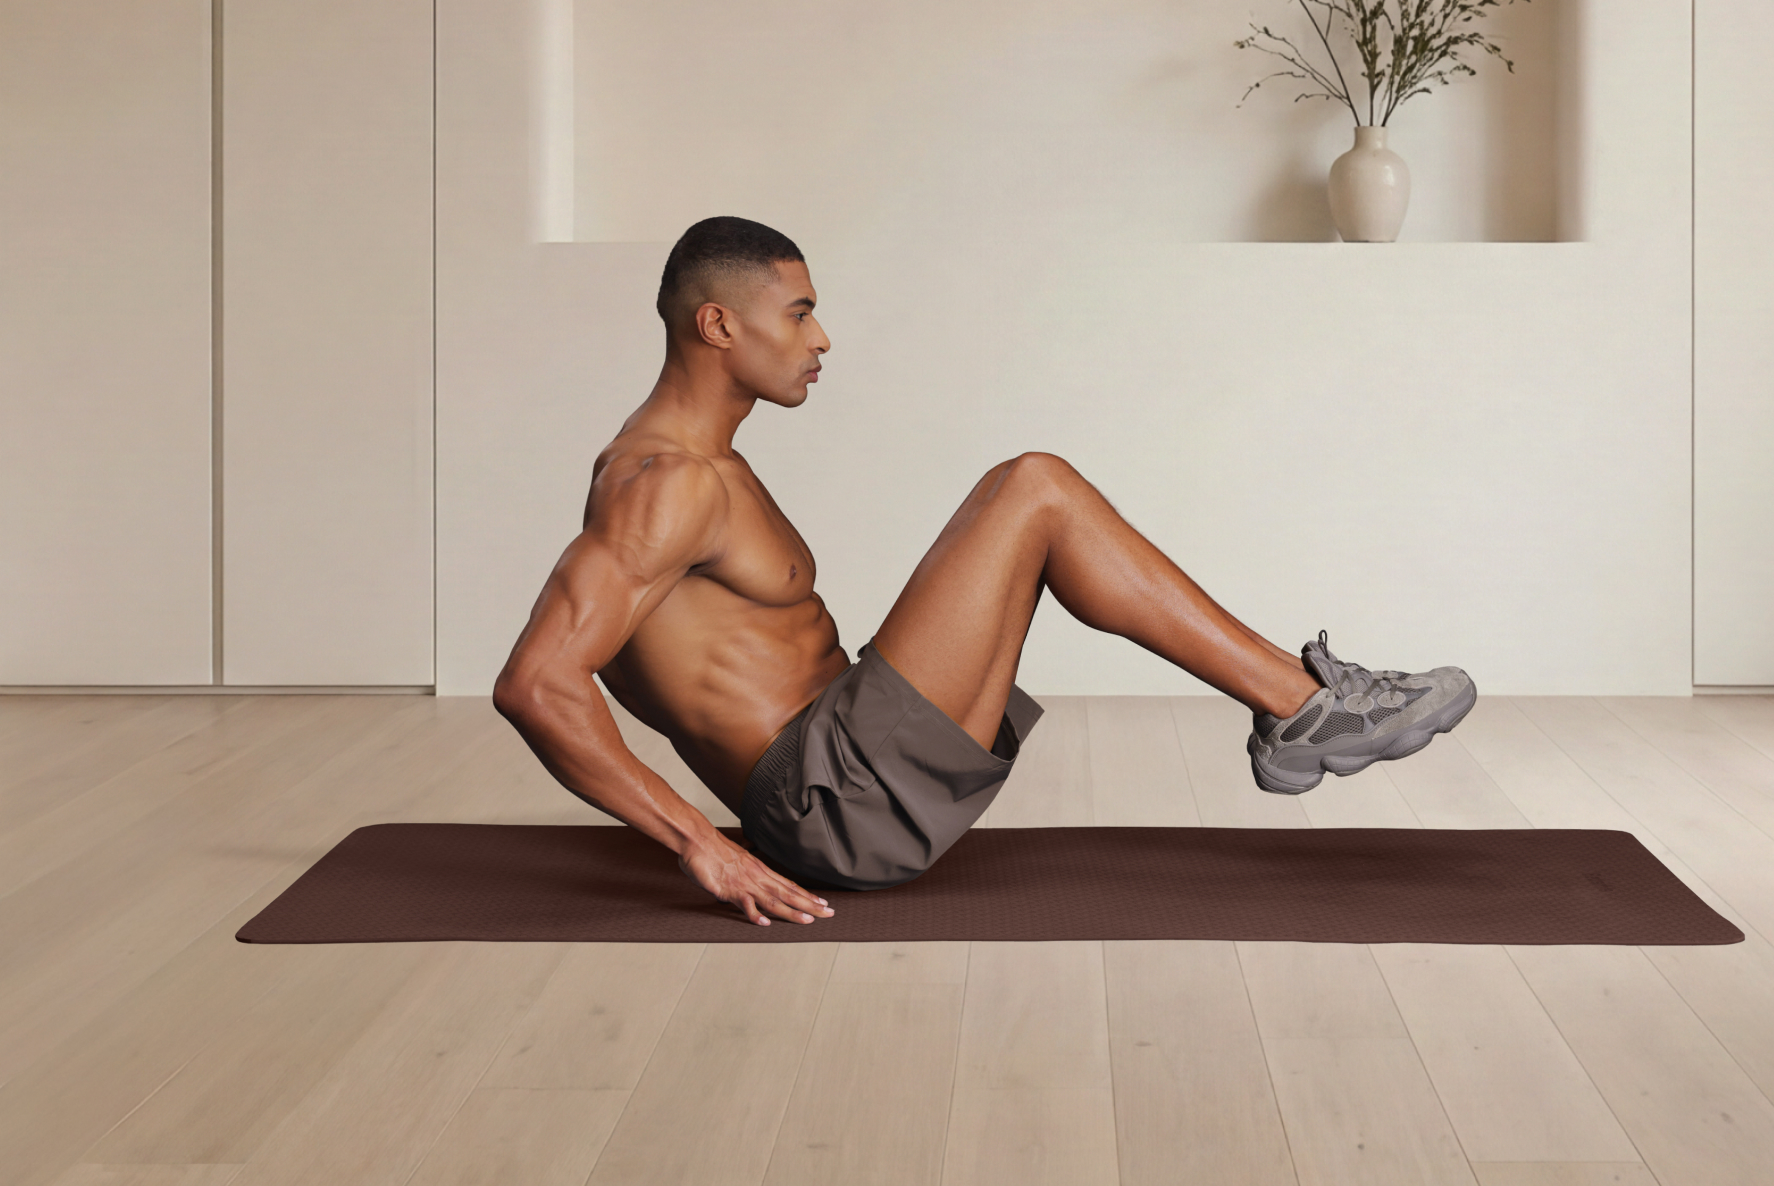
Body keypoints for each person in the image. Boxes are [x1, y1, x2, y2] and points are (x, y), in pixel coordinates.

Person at [494, 216, 1475, 926]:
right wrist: (701, 846)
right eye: (798, 314)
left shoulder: (692, 470)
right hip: (835, 805)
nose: (822, 337)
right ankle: (1305, 711)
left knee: (1037, 501)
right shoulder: (666, 485)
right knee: (1035, 489)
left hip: (849, 773)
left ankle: (1300, 711)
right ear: (718, 328)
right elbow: (535, 683)